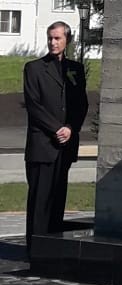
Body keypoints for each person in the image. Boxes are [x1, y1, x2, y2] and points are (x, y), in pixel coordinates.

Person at [23, 21, 88, 255]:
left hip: (65, 146)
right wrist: (57, 129)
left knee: (57, 200)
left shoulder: (75, 69)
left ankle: (53, 249)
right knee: (39, 202)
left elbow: (81, 104)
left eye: (58, 38)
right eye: (50, 38)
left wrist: (70, 128)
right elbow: (34, 105)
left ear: (67, 40)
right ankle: (36, 251)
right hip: (43, 145)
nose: (53, 42)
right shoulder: (34, 68)